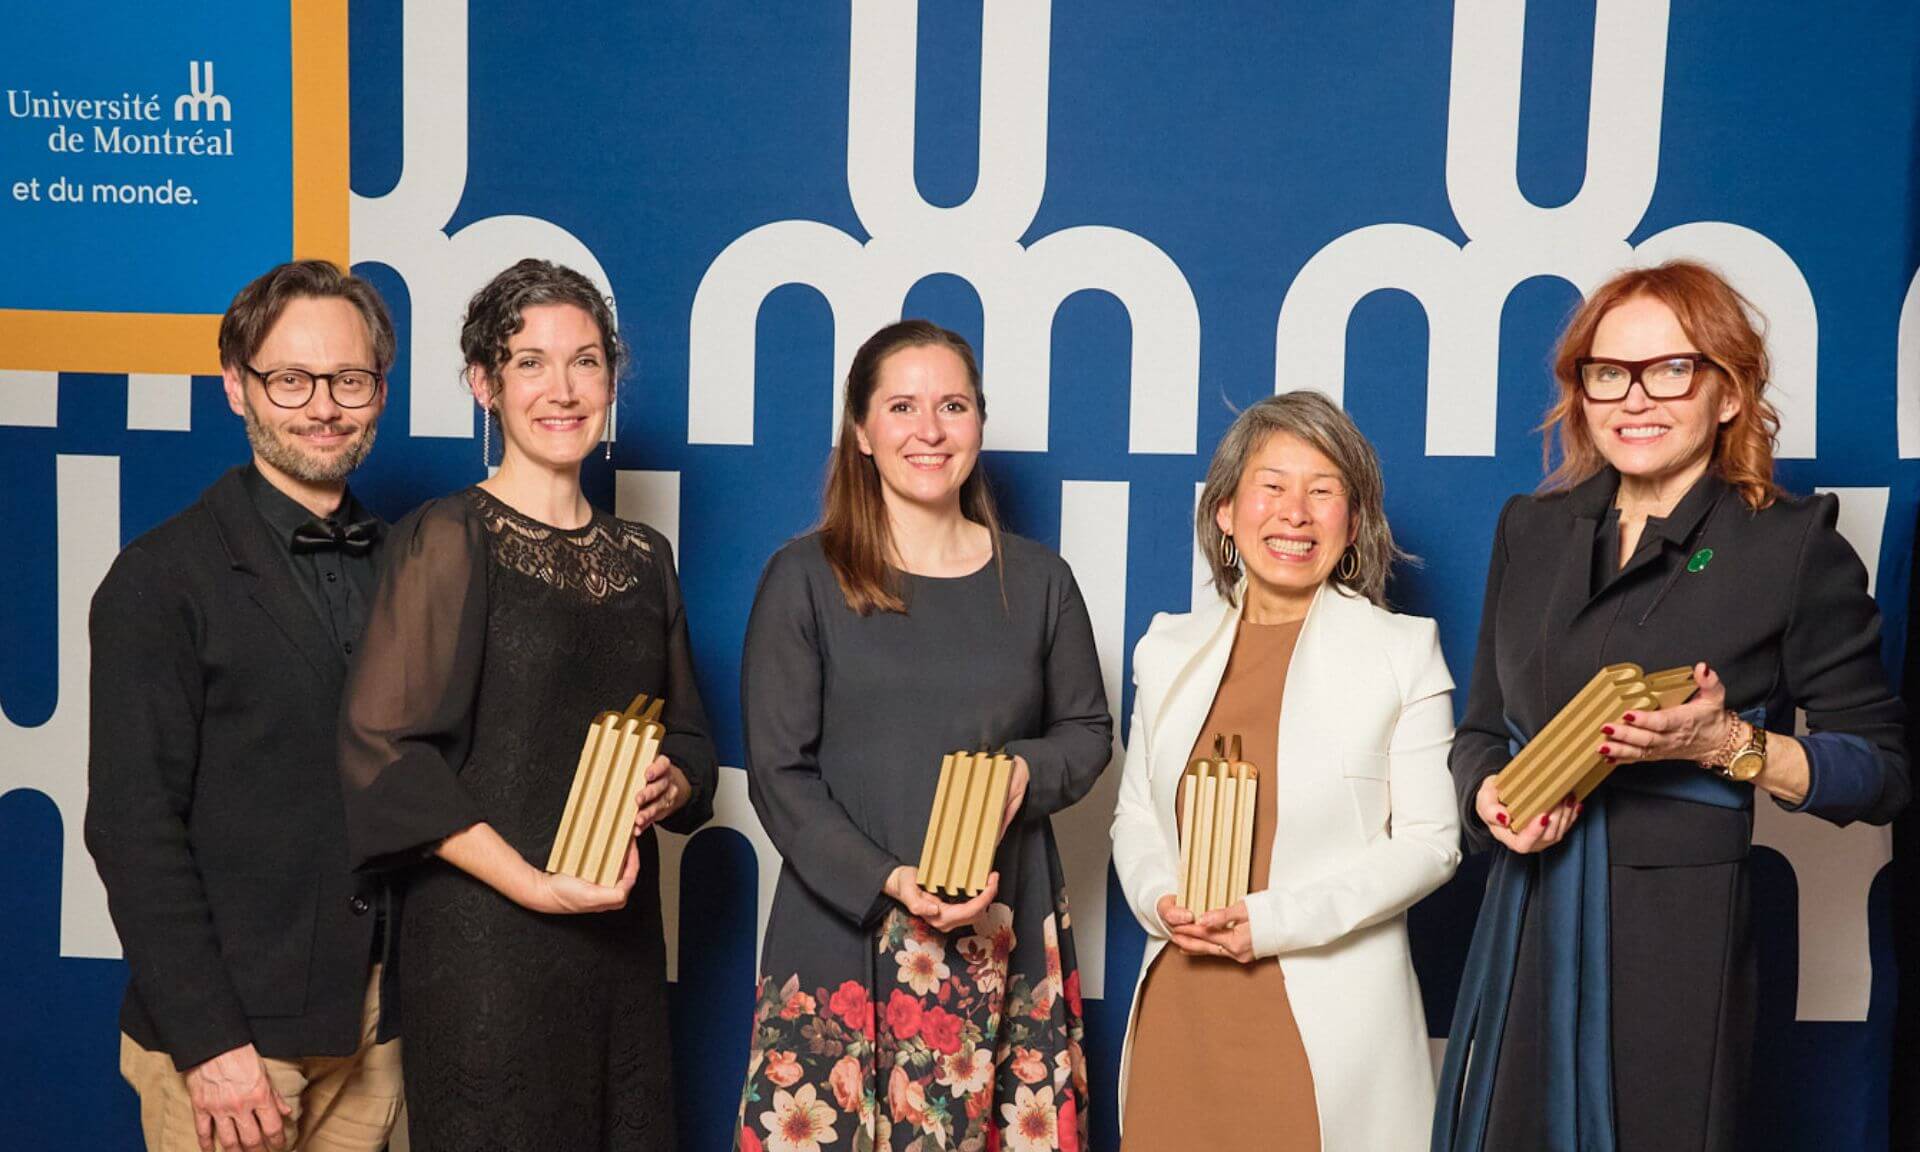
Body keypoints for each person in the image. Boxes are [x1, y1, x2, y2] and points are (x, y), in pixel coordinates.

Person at [1433, 260, 1909, 1152]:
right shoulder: (1529, 529)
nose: (1634, 399)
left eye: (1671, 369)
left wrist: (1729, 742)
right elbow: (1481, 731)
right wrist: (1488, 798)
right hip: (1525, 914)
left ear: (1727, 392)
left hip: (1675, 943)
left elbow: (1881, 772)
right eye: (1608, 373)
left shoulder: (1790, 542)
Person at [337, 259, 716, 1151]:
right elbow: (385, 756)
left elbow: (693, 741)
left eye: (586, 361)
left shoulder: (643, 555)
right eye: (531, 362)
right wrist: (538, 887)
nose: (563, 388)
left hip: (617, 943)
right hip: (485, 947)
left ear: (611, 381)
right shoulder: (449, 535)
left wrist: (670, 784)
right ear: (485, 384)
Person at [733, 320, 1112, 1152]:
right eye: (902, 406)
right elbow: (778, 775)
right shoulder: (804, 577)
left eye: (953, 405)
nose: (930, 430)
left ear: (979, 420)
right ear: (862, 432)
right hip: (845, 934)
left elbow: (1087, 732)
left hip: (999, 939)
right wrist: (890, 881)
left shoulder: (1041, 581)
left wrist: (1024, 772)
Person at [86, 260, 403, 1152]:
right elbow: (130, 827)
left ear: (380, 389)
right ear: (237, 387)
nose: (323, 407)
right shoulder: (159, 580)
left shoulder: (413, 564)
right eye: (289, 379)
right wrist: (212, 1043)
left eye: (349, 379)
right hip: (235, 1047)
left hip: (375, 1029)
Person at [1110, 391, 1460, 1151]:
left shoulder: (1403, 651)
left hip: (1324, 1022)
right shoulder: (1168, 647)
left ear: (1354, 522)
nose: (1295, 513)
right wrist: (1157, 900)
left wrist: (1270, 922)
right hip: (1183, 1003)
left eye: (1323, 490)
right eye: (1272, 486)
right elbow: (1135, 816)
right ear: (1227, 512)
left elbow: (1433, 844)